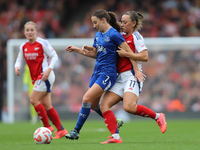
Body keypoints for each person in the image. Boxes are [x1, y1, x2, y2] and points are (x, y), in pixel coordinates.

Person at [65, 9, 144, 140]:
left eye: (95, 22)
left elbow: (129, 51)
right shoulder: (98, 35)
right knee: (94, 105)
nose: (94, 25)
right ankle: (115, 121)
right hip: (97, 72)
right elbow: (97, 54)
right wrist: (77, 50)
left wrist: (135, 69)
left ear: (103, 20)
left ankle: (76, 131)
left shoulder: (114, 34)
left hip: (108, 74)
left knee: (86, 99)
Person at [100, 11, 167, 144]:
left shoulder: (137, 37)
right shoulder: (120, 35)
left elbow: (145, 57)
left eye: (125, 22)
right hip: (120, 77)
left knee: (129, 107)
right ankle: (116, 137)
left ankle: (158, 116)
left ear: (134, 23)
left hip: (131, 75)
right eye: (121, 21)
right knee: (104, 105)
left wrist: (126, 54)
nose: (122, 24)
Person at [14, 21, 68, 139]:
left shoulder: (42, 43)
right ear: (24, 32)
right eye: (27, 30)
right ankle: (61, 130)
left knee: (33, 99)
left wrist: (48, 70)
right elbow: (19, 59)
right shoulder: (23, 46)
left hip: (45, 76)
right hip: (35, 78)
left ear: (36, 31)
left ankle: (47, 127)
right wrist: (16, 67)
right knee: (47, 105)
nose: (29, 32)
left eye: (32, 30)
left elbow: (54, 56)